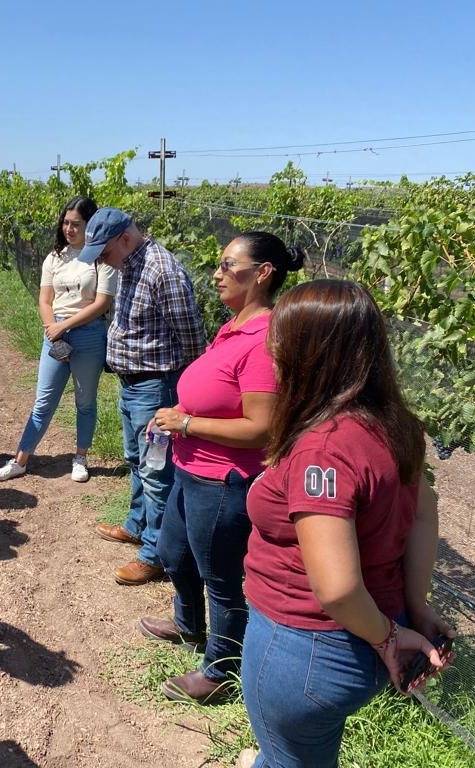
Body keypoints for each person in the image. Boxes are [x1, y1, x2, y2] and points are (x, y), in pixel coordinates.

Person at [238, 279, 454, 767]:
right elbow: (423, 515)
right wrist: (413, 606)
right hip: (365, 636)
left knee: (288, 758)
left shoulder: (323, 450)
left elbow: (336, 590)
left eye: (279, 341)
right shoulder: (397, 424)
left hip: (307, 651)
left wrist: (388, 639)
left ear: (308, 353)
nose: (271, 354)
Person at [141, 232, 304, 704]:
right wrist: (178, 415)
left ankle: (220, 671)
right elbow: (218, 396)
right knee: (173, 553)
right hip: (190, 467)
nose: (217, 274)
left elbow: (261, 428)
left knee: (221, 579)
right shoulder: (234, 327)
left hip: (223, 481)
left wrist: (187, 423)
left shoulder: (264, 340)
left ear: (263, 273)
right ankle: (189, 624)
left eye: (229, 265)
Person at [77, 207, 205, 585]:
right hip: (132, 385)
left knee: (156, 472)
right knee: (137, 460)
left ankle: (157, 554)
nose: (101, 260)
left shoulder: (162, 271)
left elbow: (193, 339)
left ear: (125, 238)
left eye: (104, 252)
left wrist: (183, 393)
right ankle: (137, 525)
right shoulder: (129, 265)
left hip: (156, 388)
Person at [0, 196, 117, 483]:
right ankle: (20, 460)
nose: (69, 229)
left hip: (89, 335)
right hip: (55, 333)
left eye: (76, 224)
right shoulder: (55, 257)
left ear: (90, 225)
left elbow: (102, 303)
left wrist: (64, 326)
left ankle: (80, 458)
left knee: (85, 401)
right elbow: (45, 300)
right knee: (43, 401)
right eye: (66, 223)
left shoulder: (102, 258)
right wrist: (52, 329)